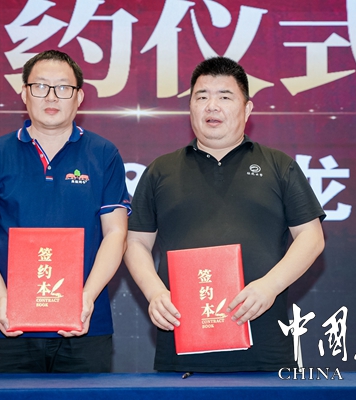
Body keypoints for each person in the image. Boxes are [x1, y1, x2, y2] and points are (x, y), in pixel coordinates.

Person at [124, 56, 325, 372]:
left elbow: (311, 237)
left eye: (225, 97)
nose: (211, 106)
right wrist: (155, 292)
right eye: (201, 97)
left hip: (264, 344)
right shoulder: (160, 171)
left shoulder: (278, 165)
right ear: (190, 108)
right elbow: (136, 242)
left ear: (247, 109)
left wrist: (270, 286)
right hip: (181, 341)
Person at [0, 50, 130, 373]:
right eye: (40, 86)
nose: (51, 96)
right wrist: (1, 297)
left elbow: (116, 234)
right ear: (24, 93)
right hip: (8, 326)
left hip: (84, 325)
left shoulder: (103, 153)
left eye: (63, 87)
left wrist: (87, 297)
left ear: (79, 97)